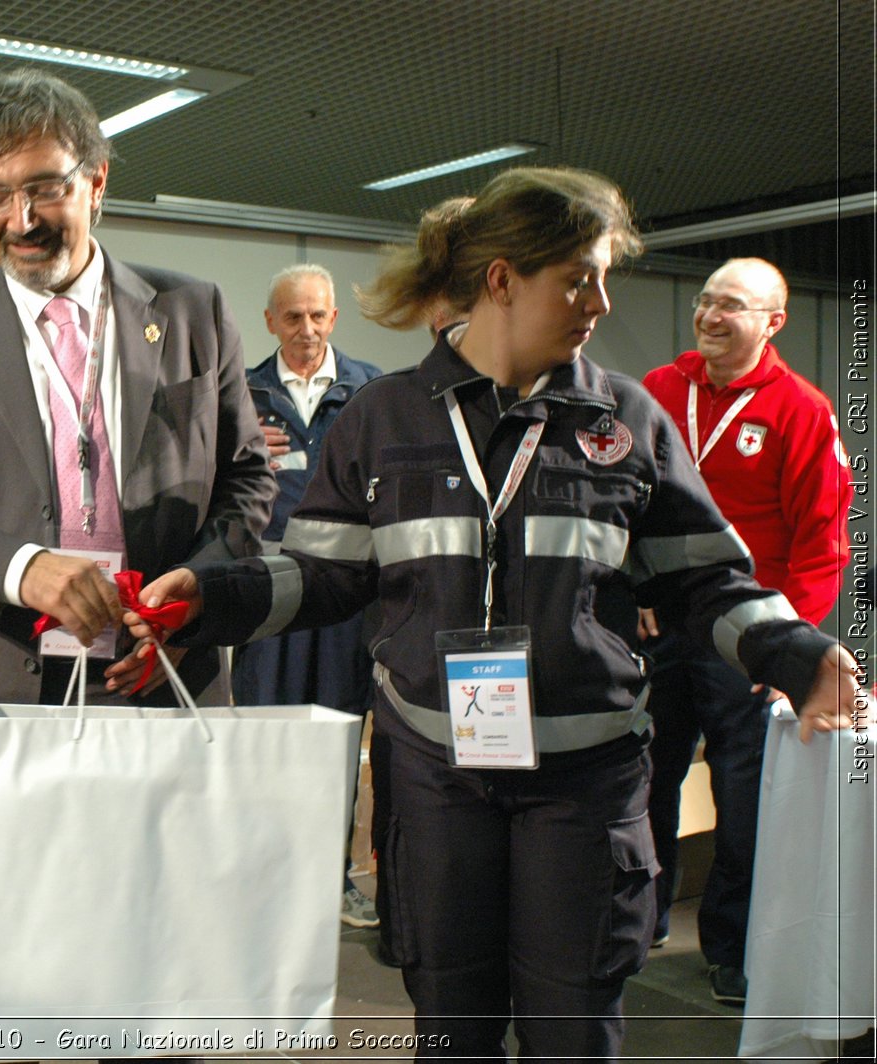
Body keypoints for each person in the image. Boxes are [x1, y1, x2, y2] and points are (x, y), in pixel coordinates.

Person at [124, 167, 859, 1060]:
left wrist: (794, 650)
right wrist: (214, 596)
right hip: (435, 782)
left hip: (585, 788)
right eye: (578, 277)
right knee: (451, 1028)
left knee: (573, 1030)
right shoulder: (384, 417)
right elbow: (324, 574)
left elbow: (705, 581)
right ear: (503, 279)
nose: (598, 300)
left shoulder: (628, 420)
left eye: (601, 276)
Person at [0, 68, 274, 710]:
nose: (20, 221)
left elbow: (246, 479)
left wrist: (196, 597)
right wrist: (21, 570)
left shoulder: (193, 313)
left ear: (97, 181)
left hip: (163, 672)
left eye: (43, 190)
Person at [640, 257, 853, 1005]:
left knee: (742, 799)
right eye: (705, 301)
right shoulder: (659, 393)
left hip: (745, 639)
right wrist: (636, 587)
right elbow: (630, 508)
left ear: (773, 321)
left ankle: (729, 948)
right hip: (661, 628)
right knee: (643, 780)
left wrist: (784, 650)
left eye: (732, 305)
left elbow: (822, 545)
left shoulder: (800, 410)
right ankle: (642, 922)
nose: (711, 315)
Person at [238, 263, 383, 929]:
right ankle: (265, 879)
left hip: (346, 592)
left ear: (333, 319)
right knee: (266, 735)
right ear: (270, 321)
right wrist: (235, 454)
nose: (305, 329)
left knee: (335, 736)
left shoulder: (372, 393)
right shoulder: (239, 396)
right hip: (268, 593)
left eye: (317, 315)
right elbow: (211, 488)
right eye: (291, 316)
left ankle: (333, 881)